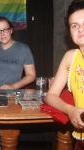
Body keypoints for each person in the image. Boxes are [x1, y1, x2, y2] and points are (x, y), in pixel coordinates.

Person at [0, 16, 36, 150]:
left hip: (13, 97)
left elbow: (31, 75)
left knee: (3, 131)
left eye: (5, 30)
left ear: (12, 30)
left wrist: (13, 86)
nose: (2, 34)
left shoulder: (24, 49)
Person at [45, 0, 84, 149]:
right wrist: (70, 110)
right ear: (70, 33)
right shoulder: (70, 57)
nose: (81, 29)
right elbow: (51, 95)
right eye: (75, 25)